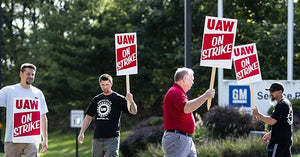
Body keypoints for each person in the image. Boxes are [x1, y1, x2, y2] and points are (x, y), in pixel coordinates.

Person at [77, 73, 138, 157]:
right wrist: (81, 133)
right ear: (100, 84)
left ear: (111, 84)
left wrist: (131, 101)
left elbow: (133, 112)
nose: (105, 87)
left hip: (112, 138)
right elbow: (88, 117)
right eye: (102, 85)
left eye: (107, 84)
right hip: (97, 138)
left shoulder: (118, 98)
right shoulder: (96, 99)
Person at [161, 67, 215, 157]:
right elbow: (186, 108)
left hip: (183, 139)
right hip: (178, 139)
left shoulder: (178, 92)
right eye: (192, 79)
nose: (193, 82)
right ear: (185, 79)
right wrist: (205, 96)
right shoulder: (175, 92)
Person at [0, 63, 48, 156]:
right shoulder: (9, 90)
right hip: (12, 138)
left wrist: (45, 139)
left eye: (32, 74)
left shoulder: (38, 93)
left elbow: (43, 116)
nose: (30, 76)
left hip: (32, 138)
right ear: (21, 74)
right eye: (28, 74)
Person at [252, 82, 293, 157]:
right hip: (285, 141)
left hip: (279, 142)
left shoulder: (282, 104)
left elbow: (271, 121)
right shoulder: (286, 103)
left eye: (273, 91)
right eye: (270, 91)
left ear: (280, 92)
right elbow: (283, 123)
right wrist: (271, 133)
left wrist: (258, 114)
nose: (270, 93)